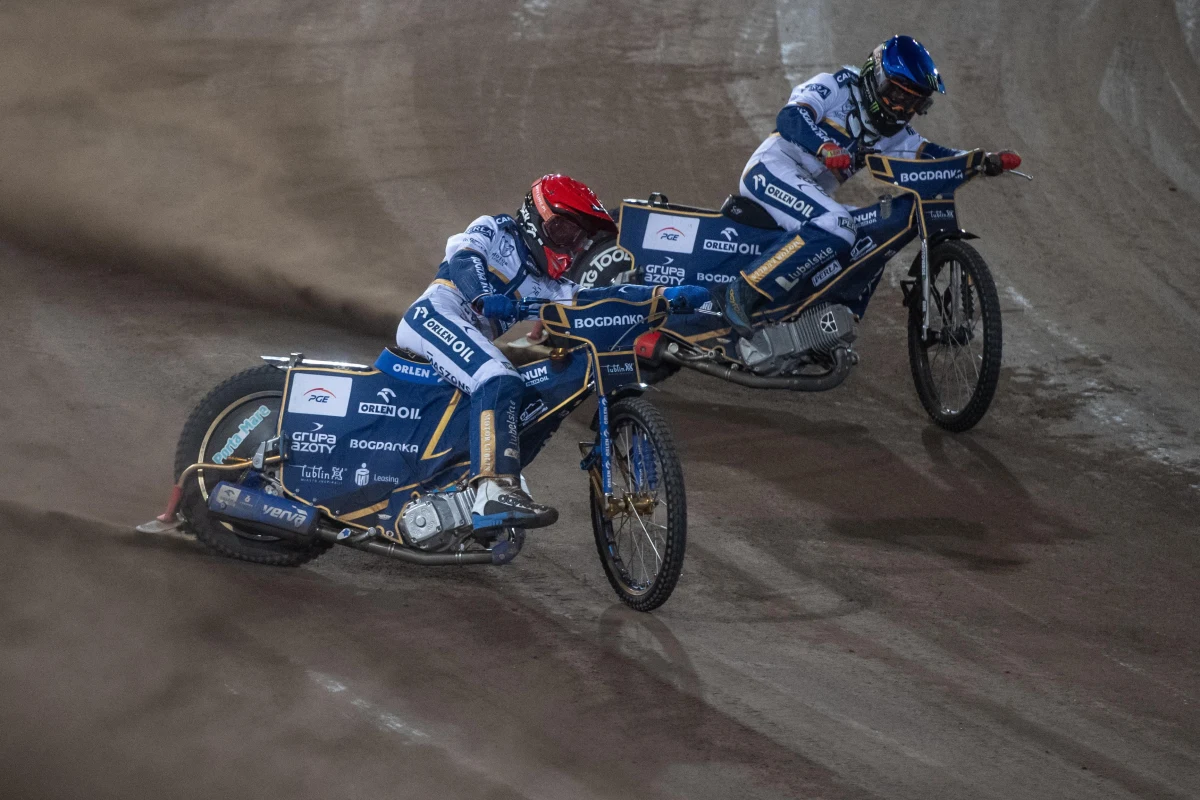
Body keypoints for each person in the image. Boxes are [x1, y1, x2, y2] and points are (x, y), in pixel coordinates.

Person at [396, 174, 709, 532]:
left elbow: (602, 300)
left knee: (524, 399)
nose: (572, 247)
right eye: (564, 233)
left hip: (470, 339)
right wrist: (484, 298)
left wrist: (665, 295)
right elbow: (466, 258)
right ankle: (494, 491)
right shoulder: (494, 230)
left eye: (580, 239)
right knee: (499, 379)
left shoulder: (553, 285)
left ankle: (464, 501)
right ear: (535, 218)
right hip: (435, 315)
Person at [723, 35, 1022, 336]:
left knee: (874, 233)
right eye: (896, 94)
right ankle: (743, 290)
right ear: (874, 75)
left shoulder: (897, 134)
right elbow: (791, 117)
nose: (899, 108)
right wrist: (825, 146)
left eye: (912, 103)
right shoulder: (835, 85)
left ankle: (816, 324)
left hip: (811, 192)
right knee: (838, 224)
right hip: (771, 169)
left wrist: (982, 160)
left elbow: (934, 155)